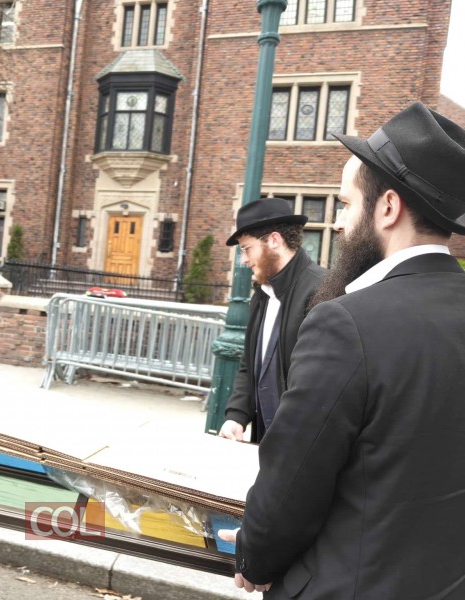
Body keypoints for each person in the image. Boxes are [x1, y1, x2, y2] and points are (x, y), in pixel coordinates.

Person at [219, 102, 465, 598]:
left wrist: (255, 554)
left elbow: (293, 480)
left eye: (346, 205)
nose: (337, 224)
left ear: (388, 207)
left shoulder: (346, 323)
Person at [218, 198, 325, 443]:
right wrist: (236, 415)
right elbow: (250, 364)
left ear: (274, 240)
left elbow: (319, 381)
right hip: (266, 440)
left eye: (246, 249)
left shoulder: (323, 290)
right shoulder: (263, 294)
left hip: (303, 443)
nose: (244, 260)